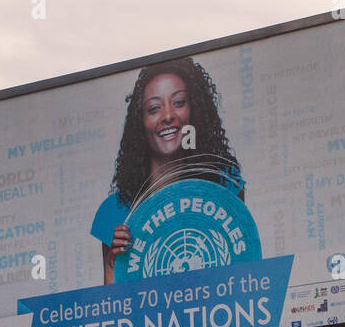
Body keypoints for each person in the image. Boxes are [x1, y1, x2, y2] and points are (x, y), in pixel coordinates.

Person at [91, 57, 244, 284]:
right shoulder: (115, 211)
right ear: (140, 123)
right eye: (154, 108)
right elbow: (112, 309)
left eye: (179, 102)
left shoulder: (225, 186)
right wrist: (114, 263)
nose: (168, 116)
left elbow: (243, 275)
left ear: (195, 111)